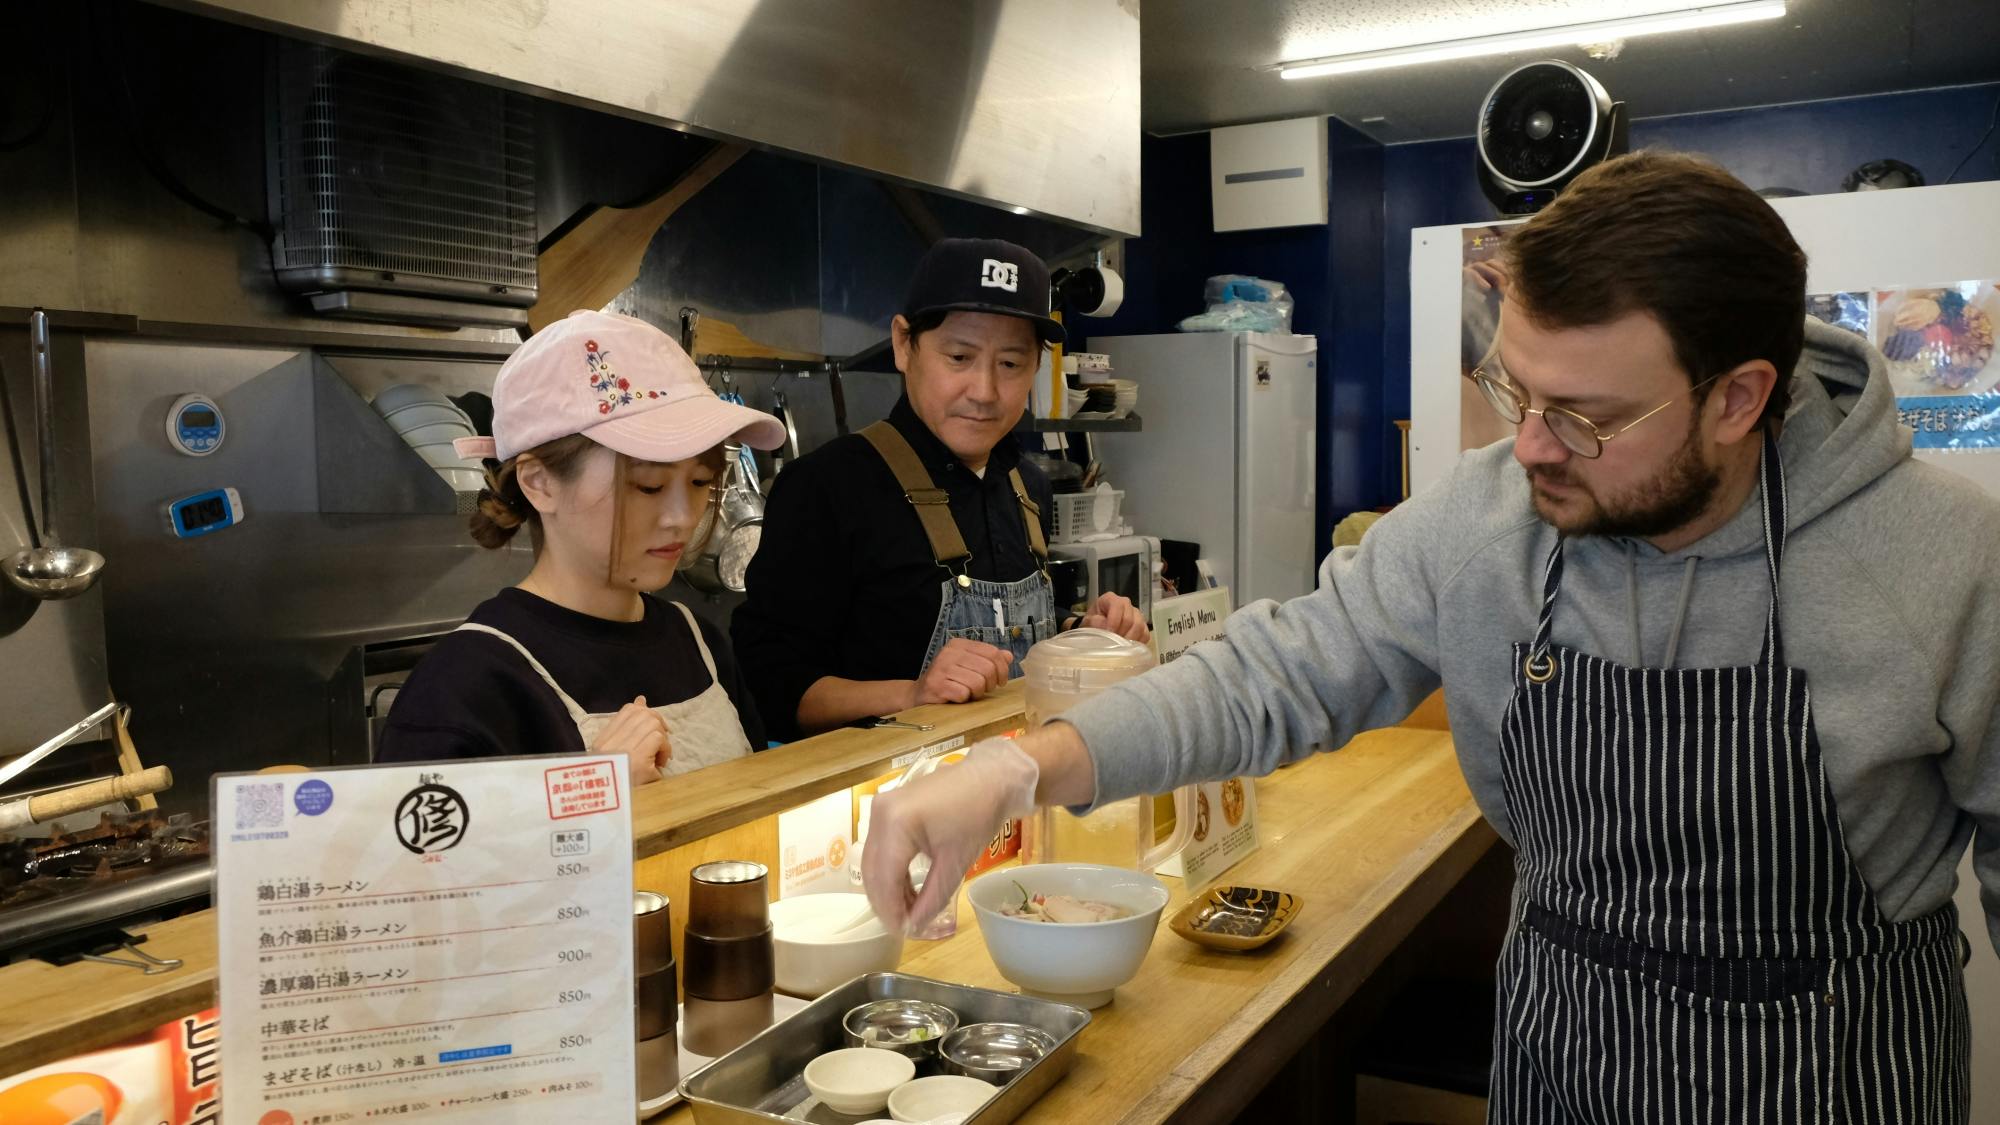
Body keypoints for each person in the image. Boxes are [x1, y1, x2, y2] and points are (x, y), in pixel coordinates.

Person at [863, 154, 1999, 1120]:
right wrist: (1021, 764)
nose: (1533, 449)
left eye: (1584, 419)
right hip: (1569, 1056)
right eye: (1516, 394)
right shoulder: (1489, 517)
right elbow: (1281, 670)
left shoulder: (1941, 560)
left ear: (1738, 399)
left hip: (1830, 1076)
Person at [733, 238, 1150, 742]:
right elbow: (766, 690)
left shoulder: (1027, 487)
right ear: (904, 344)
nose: (984, 391)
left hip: (1019, 795)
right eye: (959, 357)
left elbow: (1012, 646)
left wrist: (1078, 639)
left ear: (1037, 367)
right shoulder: (827, 487)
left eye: (1010, 364)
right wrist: (911, 694)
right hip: (887, 808)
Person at [379, 310, 783, 783]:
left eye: (699, 481)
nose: (682, 517)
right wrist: (595, 796)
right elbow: (416, 856)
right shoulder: (467, 682)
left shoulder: (700, 643)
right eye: (648, 487)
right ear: (539, 483)